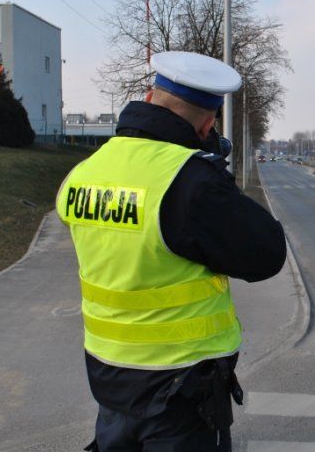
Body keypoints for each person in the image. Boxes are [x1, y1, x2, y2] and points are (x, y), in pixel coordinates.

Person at [55, 51, 287, 451]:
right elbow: (267, 252)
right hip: (179, 390)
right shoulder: (191, 181)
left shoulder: (85, 171)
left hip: (109, 380)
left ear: (148, 97)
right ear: (209, 124)